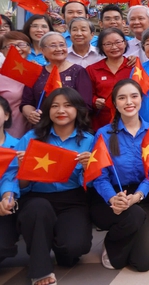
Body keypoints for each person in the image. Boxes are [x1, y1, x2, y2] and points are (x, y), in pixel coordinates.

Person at [14, 87, 94, 285]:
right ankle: (40, 271)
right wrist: (23, 169)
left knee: (74, 249)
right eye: (55, 106)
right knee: (38, 208)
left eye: (67, 105)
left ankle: (55, 243)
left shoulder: (89, 140)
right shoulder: (31, 138)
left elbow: (90, 184)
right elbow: (20, 185)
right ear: (48, 110)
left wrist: (88, 169)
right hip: (36, 198)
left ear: (77, 109)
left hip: (72, 200)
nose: (61, 110)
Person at [91, 80, 149, 272]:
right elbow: (100, 176)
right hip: (111, 198)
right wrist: (113, 198)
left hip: (142, 196)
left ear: (141, 99)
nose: (129, 102)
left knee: (144, 263)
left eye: (134, 96)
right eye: (122, 98)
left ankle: (133, 236)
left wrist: (137, 196)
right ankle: (111, 242)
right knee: (119, 260)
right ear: (115, 103)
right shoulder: (103, 134)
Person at [21, 32, 93, 125]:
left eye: (62, 45)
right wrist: (31, 114)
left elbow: (85, 104)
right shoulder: (36, 73)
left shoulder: (78, 71)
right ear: (42, 50)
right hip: (42, 125)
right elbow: (26, 102)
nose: (59, 49)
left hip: (71, 125)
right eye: (53, 45)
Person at [87, 28, 134, 131]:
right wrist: (95, 101)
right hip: (102, 123)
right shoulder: (92, 69)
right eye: (108, 44)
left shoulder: (134, 67)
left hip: (130, 122)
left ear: (125, 43)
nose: (114, 47)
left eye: (118, 42)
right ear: (101, 47)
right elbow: (87, 95)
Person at [0, 31, 33, 137]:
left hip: (37, 133)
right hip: (8, 135)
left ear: (30, 49)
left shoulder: (39, 72)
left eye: (22, 44)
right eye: (10, 46)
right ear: (2, 51)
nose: (17, 49)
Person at [0, 95, 20, 265]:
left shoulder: (18, 146)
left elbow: (12, 176)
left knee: (3, 246)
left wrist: (8, 196)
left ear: (6, 115)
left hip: (3, 207)